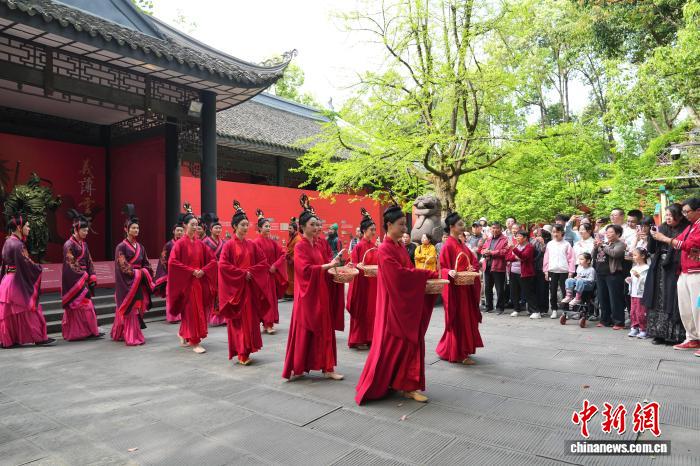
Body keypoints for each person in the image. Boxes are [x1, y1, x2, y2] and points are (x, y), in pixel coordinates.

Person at [355, 204, 438, 404]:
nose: (404, 228)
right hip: (394, 305)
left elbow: (407, 270)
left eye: (404, 224)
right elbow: (399, 276)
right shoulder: (385, 249)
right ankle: (401, 383)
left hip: (402, 303)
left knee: (405, 344)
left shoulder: (399, 246)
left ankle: (406, 383)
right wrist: (425, 274)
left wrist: (422, 275)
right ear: (389, 224)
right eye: (401, 224)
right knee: (399, 344)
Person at [283, 194, 344, 380]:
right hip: (307, 294)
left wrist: (336, 266)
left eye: (318, 224)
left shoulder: (317, 245)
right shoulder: (300, 246)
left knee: (325, 328)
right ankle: (298, 365)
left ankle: (328, 367)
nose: (317, 227)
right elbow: (305, 270)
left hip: (320, 292)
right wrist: (328, 265)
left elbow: (324, 266)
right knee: (305, 330)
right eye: (312, 225)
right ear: (302, 227)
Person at [218, 202, 270, 365]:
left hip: (250, 288)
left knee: (250, 320)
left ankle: (247, 349)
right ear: (235, 226)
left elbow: (263, 262)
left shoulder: (252, 244)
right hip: (236, 289)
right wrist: (242, 273)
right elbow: (223, 265)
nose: (246, 227)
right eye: (242, 225)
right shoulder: (228, 245)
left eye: (247, 224)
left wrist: (251, 272)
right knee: (239, 320)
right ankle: (241, 352)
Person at [167, 205, 218, 354]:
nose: (195, 227)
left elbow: (212, 260)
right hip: (186, 283)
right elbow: (172, 262)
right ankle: (194, 341)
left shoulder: (200, 244)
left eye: (196, 224)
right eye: (192, 224)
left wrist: (203, 270)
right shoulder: (180, 244)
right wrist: (191, 271)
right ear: (185, 225)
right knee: (192, 311)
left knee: (194, 310)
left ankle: (184, 333)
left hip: (198, 282)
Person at [652, 197, 700, 353]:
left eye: (687, 211)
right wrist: (665, 238)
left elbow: (691, 244)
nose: (684, 215)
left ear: (698, 210)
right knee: (686, 308)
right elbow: (679, 241)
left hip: (696, 271)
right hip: (685, 270)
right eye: (683, 212)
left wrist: (666, 239)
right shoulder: (691, 226)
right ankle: (692, 338)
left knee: (698, 308)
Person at [0, 212, 54, 348]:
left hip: (8, 281)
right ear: (19, 227)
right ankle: (39, 337)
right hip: (16, 282)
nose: (29, 228)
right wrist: (38, 268)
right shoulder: (18, 245)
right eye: (27, 226)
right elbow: (27, 264)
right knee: (30, 310)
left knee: (12, 313)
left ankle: (10, 340)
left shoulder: (8, 241)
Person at [436, 212, 483, 364]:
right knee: (459, 320)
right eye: (460, 224)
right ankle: (459, 353)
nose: (463, 227)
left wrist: (471, 267)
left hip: (465, 287)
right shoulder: (448, 245)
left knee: (466, 319)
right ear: (451, 227)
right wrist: (448, 272)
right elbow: (442, 268)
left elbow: (473, 261)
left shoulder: (461, 244)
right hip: (455, 290)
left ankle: (453, 350)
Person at [644, 204, 688, 345]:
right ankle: (658, 333)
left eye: (671, 215)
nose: (668, 218)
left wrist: (663, 238)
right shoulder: (662, 228)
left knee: (672, 298)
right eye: (667, 215)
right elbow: (651, 249)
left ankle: (675, 335)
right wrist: (651, 236)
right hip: (659, 267)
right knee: (658, 298)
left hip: (675, 266)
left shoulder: (685, 228)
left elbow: (683, 247)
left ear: (679, 216)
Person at [112, 204, 155, 346]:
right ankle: (132, 336)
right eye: (133, 228)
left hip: (139, 282)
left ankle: (123, 332)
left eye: (137, 228)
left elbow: (146, 263)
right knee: (131, 310)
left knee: (138, 308)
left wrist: (145, 272)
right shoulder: (121, 246)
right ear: (126, 229)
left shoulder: (141, 247)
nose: (136, 230)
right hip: (128, 283)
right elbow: (122, 265)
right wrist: (138, 272)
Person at [61, 209, 102, 341]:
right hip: (75, 281)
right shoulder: (68, 245)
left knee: (87, 305)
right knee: (79, 305)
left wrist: (92, 275)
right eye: (84, 230)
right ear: (76, 230)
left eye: (87, 230)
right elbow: (71, 264)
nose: (86, 233)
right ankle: (76, 333)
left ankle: (89, 330)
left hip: (84, 278)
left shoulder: (84, 244)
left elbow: (89, 260)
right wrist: (84, 275)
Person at [346, 208, 378, 350]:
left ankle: (370, 337)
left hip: (373, 283)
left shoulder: (374, 246)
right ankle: (358, 338)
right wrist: (357, 265)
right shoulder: (359, 246)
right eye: (371, 229)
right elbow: (352, 264)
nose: (374, 232)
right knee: (361, 310)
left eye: (374, 229)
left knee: (372, 311)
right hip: (361, 283)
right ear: (364, 230)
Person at [254, 208, 288, 335]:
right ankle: (266, 323)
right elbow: (257, 258)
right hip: (262, 276)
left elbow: (283, 254)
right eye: (266, 226)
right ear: (260, 228)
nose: (268, 228)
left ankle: (269, 323)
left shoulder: (272, 242)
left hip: (271, 275)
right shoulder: (256, 242)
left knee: (271, 300)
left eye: (269, 226)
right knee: (264, 299)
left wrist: (275, 265)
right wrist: (268, 266)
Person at [592, 224, 627, 330]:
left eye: (611, 232)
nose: (608, 234)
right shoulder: (605, 244)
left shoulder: (621, 244)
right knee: (603, 298)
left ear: (618, 234)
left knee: (615, 298)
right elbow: (593, 255)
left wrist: (602, 246)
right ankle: (605, 320)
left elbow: (615, 253)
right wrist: (596, 247)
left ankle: (619, 322)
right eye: (607, 232)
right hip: (600, 273)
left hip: (613, 274)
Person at [154, 218, 184, 323]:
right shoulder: (169, 244)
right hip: (171, 274)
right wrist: (167, 272)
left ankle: (181, 315)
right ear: (173, 232)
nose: (179, 232)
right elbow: (163, 259)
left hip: (183, 273)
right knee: (172, 296)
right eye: (178, 230)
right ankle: (172, 317)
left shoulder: (185, 243)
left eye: (181, 230)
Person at [543, 224, 576, 319]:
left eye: (557, 232)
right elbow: (546, 258)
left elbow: (571, 259)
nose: (555, 234)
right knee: (552, 291)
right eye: (553, 232)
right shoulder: (550, 244)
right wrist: (545, 271)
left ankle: (565, 311)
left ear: (562, 233)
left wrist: (571, 271)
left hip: (564, 271)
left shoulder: (567, 244)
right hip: (552, 270)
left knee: (565, 291)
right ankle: (554, 309)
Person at [201, 213, 227, 327]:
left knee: (221, 293)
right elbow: (202, 257)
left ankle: (222, 317)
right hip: (210, 272)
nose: (218, 230)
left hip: (222, 271)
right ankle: (210, 316)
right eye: (216, 228)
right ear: (211, 230)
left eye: (219, 228)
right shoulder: (205, 242)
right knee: (211, 294)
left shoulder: (224, 242)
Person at [479, 222, 508, 314]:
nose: (494, 230)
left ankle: (500, 307)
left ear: (500, 229)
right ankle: (489, 306)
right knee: (487, 288)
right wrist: (485, 252)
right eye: (493, 228)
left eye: (496, 228)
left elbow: (505, 251)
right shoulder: (489, 239)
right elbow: (482, 249)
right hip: (487, 266)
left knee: (499, 288)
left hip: (498, 266)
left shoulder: (505, 239)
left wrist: (492, 252)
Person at [507, 230, 537, 317]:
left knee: (528, 292)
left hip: (525, 273)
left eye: (519, 236)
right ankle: (516, 309)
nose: (517, 238)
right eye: (516, 236)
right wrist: (516, 257)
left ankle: (535, 311)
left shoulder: (529, 247)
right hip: (513, 272)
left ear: (525, 238)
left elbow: (524, 256)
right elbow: (508, 257)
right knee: (514, 292)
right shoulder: (516, 246)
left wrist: (514, 250)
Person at [627, 247, 650, 339]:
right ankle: (634, 327)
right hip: (634, 292)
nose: (633, 257)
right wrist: (629, 280)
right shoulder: (634, 268)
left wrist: (639, 276)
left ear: (643, 256)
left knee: (641, 312)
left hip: (641, 293)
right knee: (633, 311)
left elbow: (647, 281)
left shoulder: (647, 268)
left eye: (635, 255)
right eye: (633, 255)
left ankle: (643, 329)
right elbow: (633, 280)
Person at [284, 217, 301, 300]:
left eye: (290, 228)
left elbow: (297, 252)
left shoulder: (298, 239)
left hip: (293, 261)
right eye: (288, 228)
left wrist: (292, 258)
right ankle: (290, 292)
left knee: (293, 277)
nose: (289, 230)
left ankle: (293, 293)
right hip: (289, 261)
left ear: (295, 229)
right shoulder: (291, 237)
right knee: (290, 277)